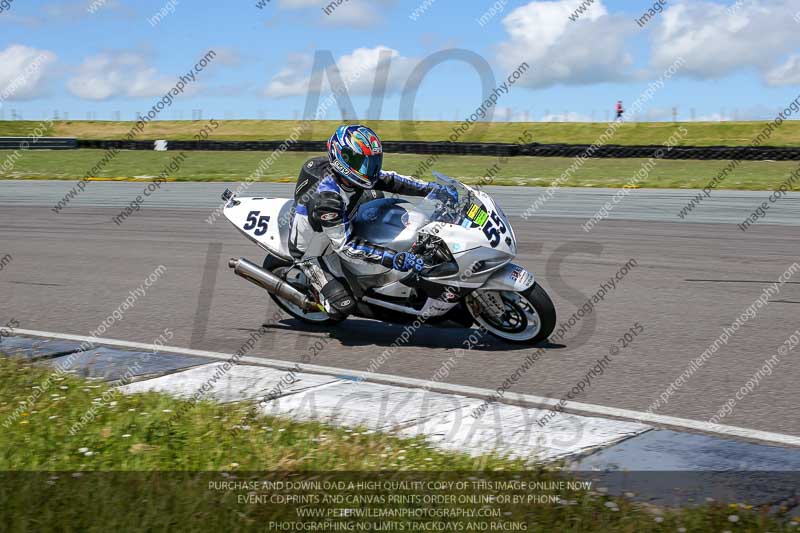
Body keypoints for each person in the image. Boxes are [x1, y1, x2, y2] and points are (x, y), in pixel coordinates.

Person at [288, 124, 440, 320]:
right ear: (343, 159)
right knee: (342, 307)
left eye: (372, 162)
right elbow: (345, 247)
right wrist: (392, 257)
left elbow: (393, 179)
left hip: (340, 223)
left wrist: (432, 189)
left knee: (378, 194)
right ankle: (316, 298)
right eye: (363, 162)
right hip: (315, 251)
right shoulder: (328, 200)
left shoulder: (351, 175)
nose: (369, 169)